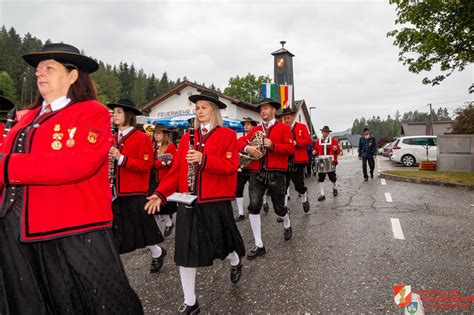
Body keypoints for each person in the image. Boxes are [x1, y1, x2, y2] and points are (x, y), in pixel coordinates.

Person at [0, 42, 142, 314]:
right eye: (37, 70)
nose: (39, 74)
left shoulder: (93, 112)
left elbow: (76, 164)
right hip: (15, 231)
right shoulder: (24, 117)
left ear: (73, 75)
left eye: (48, 68)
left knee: (95, 304)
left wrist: (6, 166)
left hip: (73, 231)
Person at [145, 90, 245, 314]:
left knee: (220, 246)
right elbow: (176, 171)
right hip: (188, 202)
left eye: (204, 107)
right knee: (185, 252)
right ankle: (191, 302)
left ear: (214, 111)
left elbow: (230, 168)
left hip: (214, 202)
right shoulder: (187, 139)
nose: (199, 111)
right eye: (197, 107)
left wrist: (204, 159)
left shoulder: (227, 135)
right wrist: (160, 194)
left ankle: (234, 259)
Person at [108, 99, 166, 273]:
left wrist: (122, 159)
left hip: (134, 192)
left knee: (143, 230)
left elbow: (146, 166)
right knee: (117, 232)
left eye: (118, 112)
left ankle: (157, 252)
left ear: (128, 115)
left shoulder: (141, 138)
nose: (114, 115)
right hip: (115, 192)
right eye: (114, 112)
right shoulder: (112, 137)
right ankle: (114, 267)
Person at [238, 98, 295, 260]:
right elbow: (240, 142)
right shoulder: (255, 129)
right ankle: (259, 244)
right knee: (254, 206)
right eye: (261, 109)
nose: (262, 111)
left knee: (279, 208)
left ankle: (286, 221)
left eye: (266, 108)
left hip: (276, 172)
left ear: (273, 111)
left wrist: (273, 145)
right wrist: (247, 147)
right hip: (256, 172)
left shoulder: (283, 128)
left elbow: (290, 148)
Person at [280, 107, 312, 213]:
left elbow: (308, 140)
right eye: (285, 119)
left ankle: (304, 196)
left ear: (293, 117)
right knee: (284, 185)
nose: (287, 120)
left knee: (299, 185)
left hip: (298, 160)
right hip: (285, 160)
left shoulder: (301, 127)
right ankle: (283, 209)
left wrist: (296, 143)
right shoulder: (282, 128)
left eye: (288, 118)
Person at [151, 124, 177, 237]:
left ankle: (168, 223)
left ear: (164, 134)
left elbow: (172, 161)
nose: (156, 135)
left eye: (158, 133)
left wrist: (156, 164)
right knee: (152, 206)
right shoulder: (151, 145)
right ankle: (156, 231)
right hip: (151, 179)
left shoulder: (170, 146)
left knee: (163, 205)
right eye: (155, 133)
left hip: (164, 179)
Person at [235, 117, 258, 222]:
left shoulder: (257, 138)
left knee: (254, 190)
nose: (246, 126)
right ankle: (240, 213)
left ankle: (264, 202)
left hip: (253, 168)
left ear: (253, 126)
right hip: (242, 168)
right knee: (238, 189)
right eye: (244, 125)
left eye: (248, 124)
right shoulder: (240, 139)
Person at [312, 125, 340, 201]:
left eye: (326, 132)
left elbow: (338, 152)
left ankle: (334, 188)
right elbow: (315, 150)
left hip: (330, 161)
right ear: (322, 132)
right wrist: (314, 152)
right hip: (321, 161)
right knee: (321, 178)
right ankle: (322, 194)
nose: (324, 133)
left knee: (332, 177)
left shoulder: (333, 140)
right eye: (323, 131)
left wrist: (335, 149)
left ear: (328, 133)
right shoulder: (318, 141)